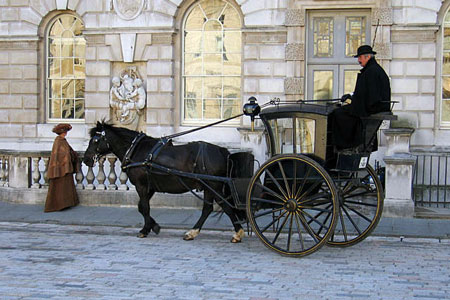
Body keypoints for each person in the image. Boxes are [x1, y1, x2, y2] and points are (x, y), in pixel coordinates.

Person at [330, 45, 391, 149]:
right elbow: (364, 93)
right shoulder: (373, 70)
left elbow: (369, 96)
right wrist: (352, 97)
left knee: (337, 113)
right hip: (373, 105)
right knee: (342, 111)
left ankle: (344, 145)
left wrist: (353, 100)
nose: (358, 60)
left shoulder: (371, 71)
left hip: (372, 107)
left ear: (367, 57)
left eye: (360, 57)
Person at [44, 123, 79, 212]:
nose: (66, 133)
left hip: (65, 168)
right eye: (65, 131)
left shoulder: (63, 141)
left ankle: (65, 204)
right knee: (59, 187)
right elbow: (60, 155)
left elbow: (68, 152)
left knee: (65, 187)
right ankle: (59, 205)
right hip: (61, 169)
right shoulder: (58, 141)